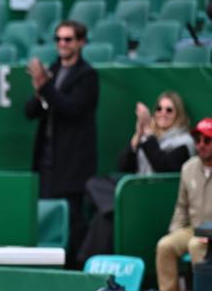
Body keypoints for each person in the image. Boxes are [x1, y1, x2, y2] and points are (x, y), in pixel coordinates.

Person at [79, 91, 194, 264]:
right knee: (95, 185)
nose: (163, 113)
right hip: (136, 195)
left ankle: (85, 261)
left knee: (104, 217)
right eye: (159, 108)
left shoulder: (184, 142)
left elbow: (162, 166)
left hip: (155, 197)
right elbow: (124, 165)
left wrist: (147, 134)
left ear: (178, 115)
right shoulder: (149, 137)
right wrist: (137, 136)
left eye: (169, 110)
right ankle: (115, 208)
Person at [26, 20, 98, 267]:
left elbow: (72, 108)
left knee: (73, 219)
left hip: (73, 162)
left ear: (80, 42)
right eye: (58, 39)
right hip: (47, 158)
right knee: (47, 219)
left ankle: (76, 270)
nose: (62, 44)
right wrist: (39, 91)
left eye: (68, 39)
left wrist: (45, 86)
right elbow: (29, 111)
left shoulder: (87, 76)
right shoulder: (52, 71)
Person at [156, 118, 212, 291]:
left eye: (207, 141)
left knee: (196, 246)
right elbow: (181, 206)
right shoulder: (188, 168)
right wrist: (175, 231)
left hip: (208, 234)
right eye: (198, 140)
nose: (201, 145)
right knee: (165, 245)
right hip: (193, 228)